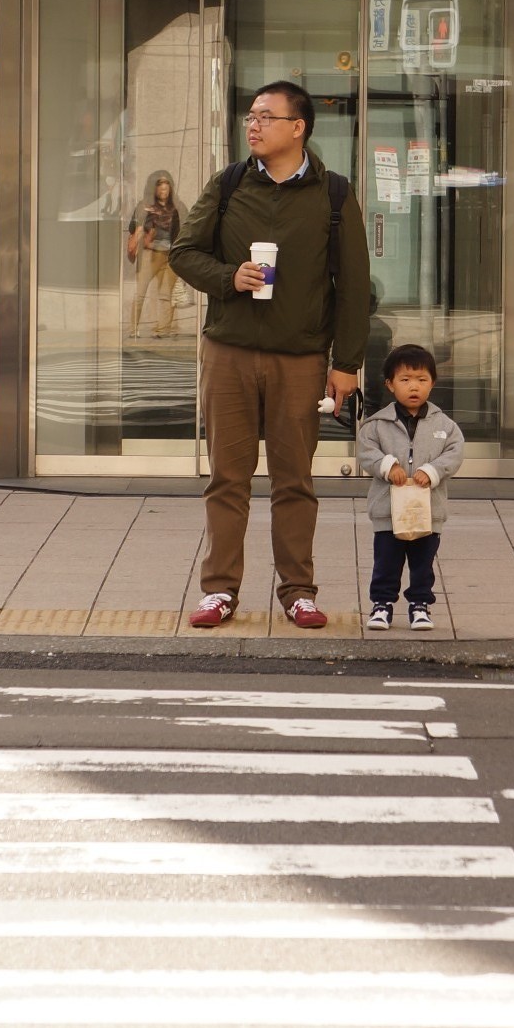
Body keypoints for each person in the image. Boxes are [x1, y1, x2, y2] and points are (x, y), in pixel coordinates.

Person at [170, 81, 369, 630]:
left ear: (298, 127)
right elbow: (184, 254)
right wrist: (229, 277)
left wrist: (346, 363)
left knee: (294, 481)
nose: (252, 125)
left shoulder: (333, 195)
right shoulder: (230, 184)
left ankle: (298, 591)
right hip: (228, 353)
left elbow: (354, 286)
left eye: (265, 116)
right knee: (227, 479)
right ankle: (220, 591)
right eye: (250, 116)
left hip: (300, 359)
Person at [357, 343, 465, 632]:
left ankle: (420, 605)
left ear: (432, 383)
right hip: (388, 510)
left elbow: (454, 454)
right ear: (390, 385)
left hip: (428, 511)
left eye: (421, 380)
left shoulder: (445, 425)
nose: (413, 387)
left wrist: (431, 471)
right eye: (405, 380)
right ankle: (382, 605)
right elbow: (366, 452)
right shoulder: (376, 425)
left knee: (422, 563)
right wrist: (388, 466)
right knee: (386, 561)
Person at [126, 171, 180, 340]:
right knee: (141, 291)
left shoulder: (174, 208)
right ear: (154, 190)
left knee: (166, 293)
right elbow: (133, 227)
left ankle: (163, 329)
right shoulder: (144, 206)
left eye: (167, 188)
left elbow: (179, 232)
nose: (164, 191)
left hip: (169, 254)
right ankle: (133, 328)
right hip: (150, 253)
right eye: (161, 188)